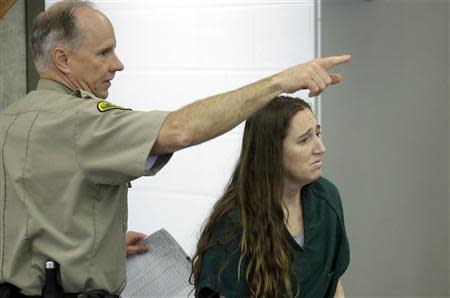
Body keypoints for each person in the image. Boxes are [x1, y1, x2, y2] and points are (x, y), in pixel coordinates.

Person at [0, 0, 350, 297]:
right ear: (63, 59)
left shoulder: (9, 121)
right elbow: (180, 130)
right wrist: (280, 82)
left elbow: (30, 210)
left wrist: (91, 248)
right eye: (104, 52)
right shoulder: (85, 121)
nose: (117, 64)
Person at [191, 96, 350, 298]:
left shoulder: (326, 199)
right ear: (271, 151)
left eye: (318, 134)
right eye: (304, 140)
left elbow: (334, 283)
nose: (320, 148)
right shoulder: (235, 224)